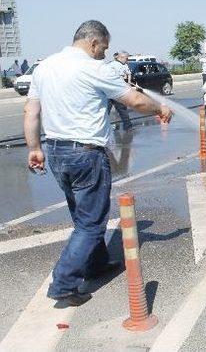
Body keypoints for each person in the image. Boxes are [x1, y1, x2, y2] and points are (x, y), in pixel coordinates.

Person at [23, 20, 173, 307]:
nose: (104, 54)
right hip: (85, 153)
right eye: (103, 48)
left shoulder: (45, 67)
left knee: (82, 215)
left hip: (55, 151)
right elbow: (136, 102)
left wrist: (34, 148)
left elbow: (31, 110)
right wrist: (160, 107)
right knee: (90, 224)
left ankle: (95, 264)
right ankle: (64, 284)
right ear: (93, 42)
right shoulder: (92, 69)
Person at [106, 51, 133, 130]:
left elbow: (129, 74)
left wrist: (129, 83)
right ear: (121, 57)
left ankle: (101, 128)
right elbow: (120, 79)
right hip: (116, 92)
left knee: (106, 111)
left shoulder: (122, 65)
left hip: (109, 91)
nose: (127, 60)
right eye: (126, 58)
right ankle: (128, 127)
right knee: (122, 110)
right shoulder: (116, 65)